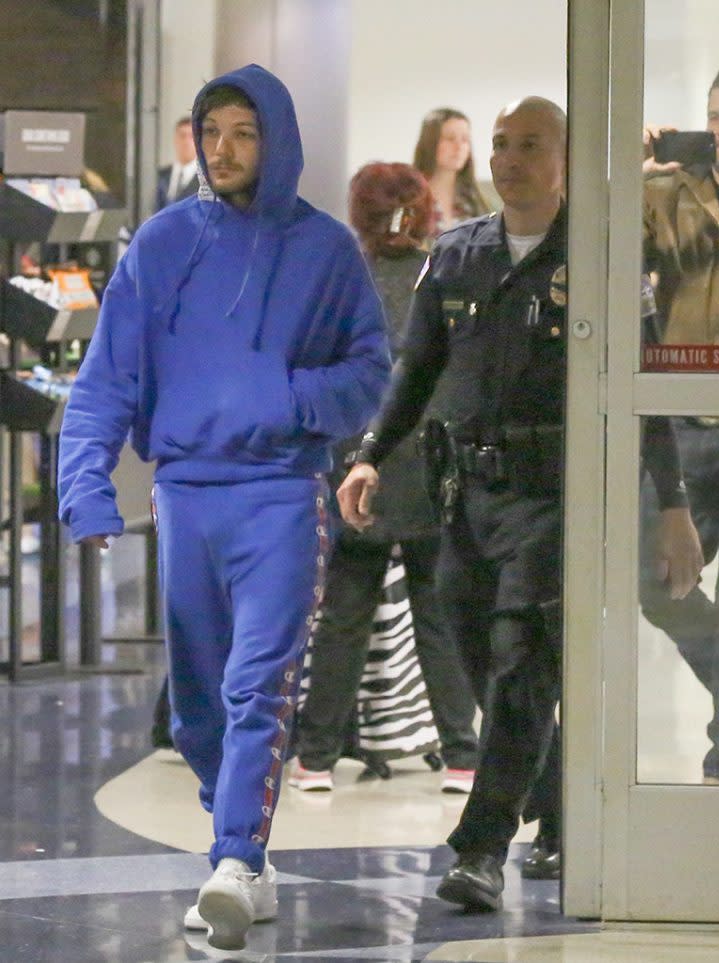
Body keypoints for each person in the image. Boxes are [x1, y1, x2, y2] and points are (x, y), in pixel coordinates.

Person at [338, 96, 703, 911]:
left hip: (554, 497)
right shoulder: (458, 253)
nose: (507, 160)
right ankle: (566, 805)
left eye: (528, 145)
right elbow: (415, 369)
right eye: (499, 145)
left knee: (521, 660)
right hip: (463, 495)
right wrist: (369, 457)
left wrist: (672, 504)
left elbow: (647, 386)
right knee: (480, 656)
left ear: (565, 158)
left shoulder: (603, 256)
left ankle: (480, 848)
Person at [57, 64, 389, 950]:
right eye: (212, 132)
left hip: (283, 494)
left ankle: (237, 855)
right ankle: (241, 843)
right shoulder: (161, 245)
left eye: (244, 133)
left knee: (257, 684)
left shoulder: (325, 250)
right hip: (185, 498)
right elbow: (105, 380)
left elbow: (370, 374)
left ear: (275, 140)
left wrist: (287, 401)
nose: (224, 149)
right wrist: (84, 485)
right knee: (199, 705)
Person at [290, 162, 479, 794]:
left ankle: (315, 759)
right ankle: (461, 754)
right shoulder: (444, 276)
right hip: (428, 463)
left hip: (358, 465)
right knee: (439, 615)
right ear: (424, 213)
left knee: (345, 615)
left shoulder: (343, 284)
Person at [640, 64, 719, 786]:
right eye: (716, 116)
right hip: (677, 419)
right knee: (655, 580)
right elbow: (600, 250)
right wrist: (630, 174)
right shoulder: (671, 195)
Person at [412, 107, 490, 243]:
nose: (459, 146)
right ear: (430, 142)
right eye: (450, 138)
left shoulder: (475, 202)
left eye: (465, 139)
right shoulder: (409, 198)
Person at [154, 115, 199, 211]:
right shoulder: (159, 175)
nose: (186, 142)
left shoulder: (207, 180)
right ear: (175, 139)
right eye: (182, 136)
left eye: (191, 137)